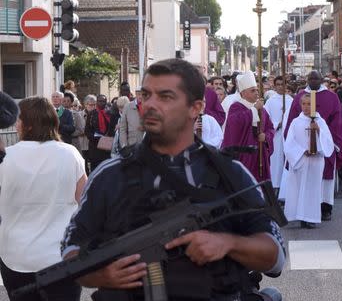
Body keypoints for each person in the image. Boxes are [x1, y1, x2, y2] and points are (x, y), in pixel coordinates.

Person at [61, 59, 285, 301]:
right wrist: (101, 275)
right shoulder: (109, 176)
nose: (150, 105)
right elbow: (71, 250)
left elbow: (275, 257)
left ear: (195, 108)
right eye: (146, 95)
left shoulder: (230, 173)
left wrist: (228, 243)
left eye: (165, 97)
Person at [0, 97, 86, 301]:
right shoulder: (70, 154)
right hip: (60, 256)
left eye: (19, 119)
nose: (16, 124)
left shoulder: (6, 157)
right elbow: (85, 201)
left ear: (27, 125)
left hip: (15, 254)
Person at [284, 70, 342, 221]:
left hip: (322, 145)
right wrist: (298, 149)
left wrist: (327, 140)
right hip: (302, 150)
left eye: (316, 78)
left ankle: (325, 207)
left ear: (321, 79)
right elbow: (292, 120)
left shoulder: (331, 97)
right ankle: (301, 211)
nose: (313, 80)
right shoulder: (299, 97)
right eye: (310, 78)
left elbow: (337, 120)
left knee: (324, 177)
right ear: (307, 79)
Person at [284, 94, 334, 228]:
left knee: (313, 189)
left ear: (314, 106)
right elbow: (289, 143)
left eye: (309, 104)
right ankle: (299, 216)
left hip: (316, 161)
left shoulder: (320, 122)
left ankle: (310, 217)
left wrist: (319, 131)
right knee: (299, 188)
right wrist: (301, 152)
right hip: (301, 160)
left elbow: (329, 142)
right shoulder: (296, 122)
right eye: (304, 104)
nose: (306, 107)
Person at [264, 76, 293, 190]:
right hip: (275, 135)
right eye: (278, 84)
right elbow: (266, 119)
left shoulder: (291, 100)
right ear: (275, 86)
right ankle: (275, 186)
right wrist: (278, 124)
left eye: (283, 84)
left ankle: (285, 187)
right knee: (276, 161)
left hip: (287, 135)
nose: (281, 87)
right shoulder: (270, 101)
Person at [85, 94, 115, 171]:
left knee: (107, 169)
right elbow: (87, 130)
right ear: (97, 102)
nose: (102, 103)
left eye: (104, 101)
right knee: (95, 169)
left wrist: (107, 137)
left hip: (107, 147)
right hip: (95, 146)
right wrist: (96, 138)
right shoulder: (91, 114)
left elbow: (113, 128)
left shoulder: (110, 113)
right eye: (100, 101)